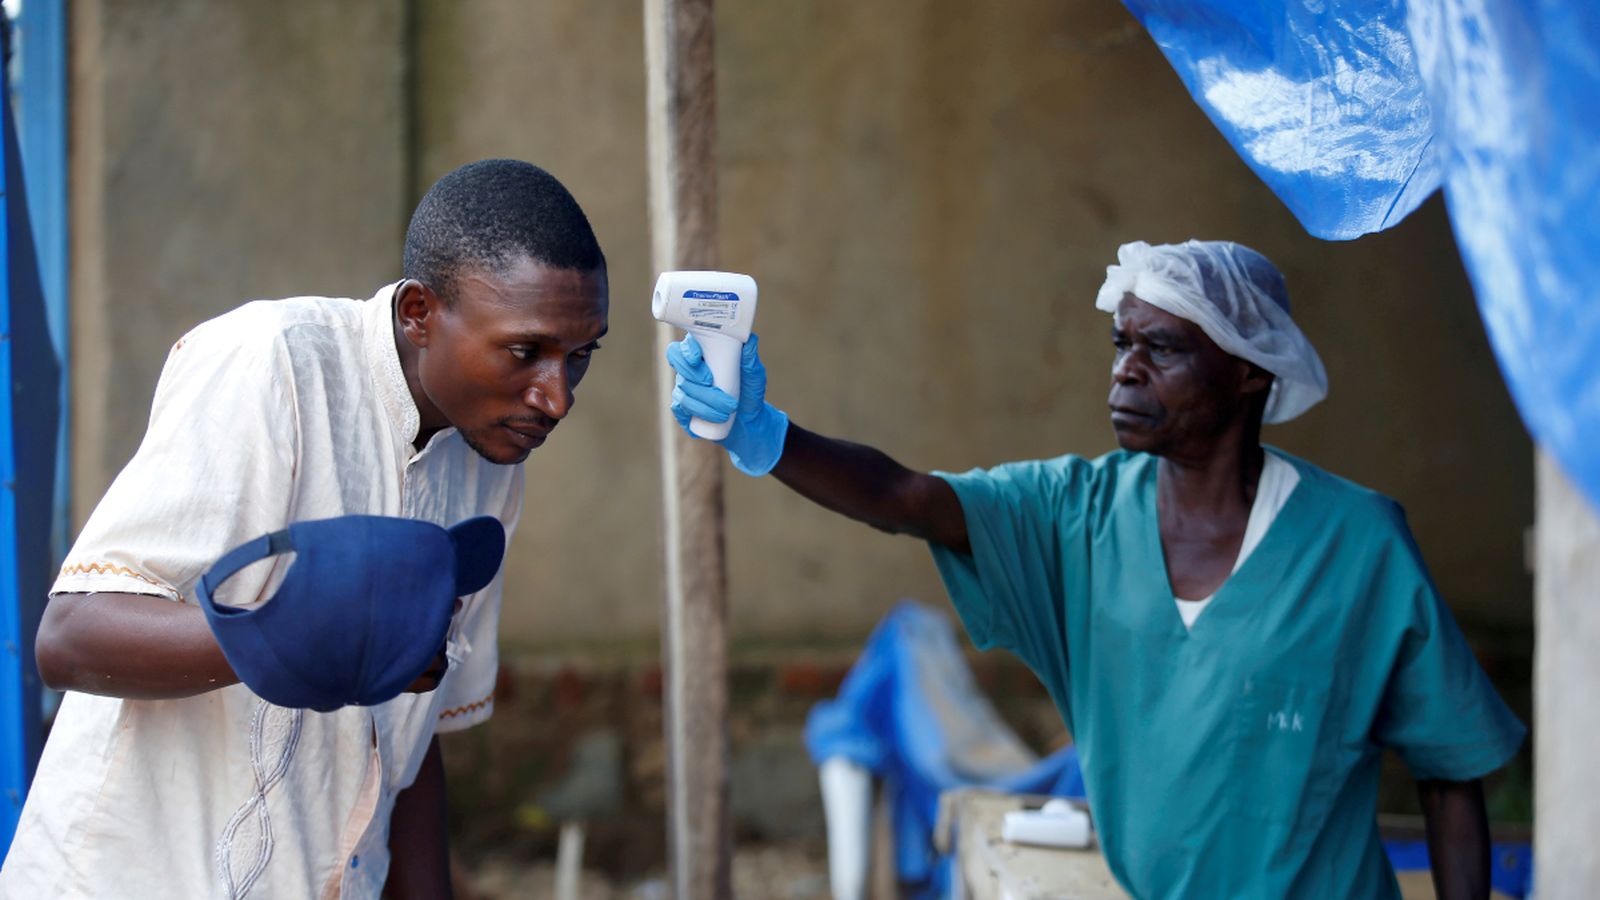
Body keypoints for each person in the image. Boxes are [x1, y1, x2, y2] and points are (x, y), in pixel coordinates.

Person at [665, 240, 1525, 899]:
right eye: (1120, 342)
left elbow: (1450, 776)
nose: (1125, 370)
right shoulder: (1075, 517)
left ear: (1247, 373)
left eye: (1162, 349)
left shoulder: (1356, 545)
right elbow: (907, 497)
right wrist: (767, 435)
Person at [0, 159, 609, 899]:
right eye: (525, 351)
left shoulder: (493, 453)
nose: (556, 398)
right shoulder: (271, 363)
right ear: (419, 313)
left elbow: (410, 745)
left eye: (580, 356)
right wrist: (288, 636)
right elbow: (69, 639)